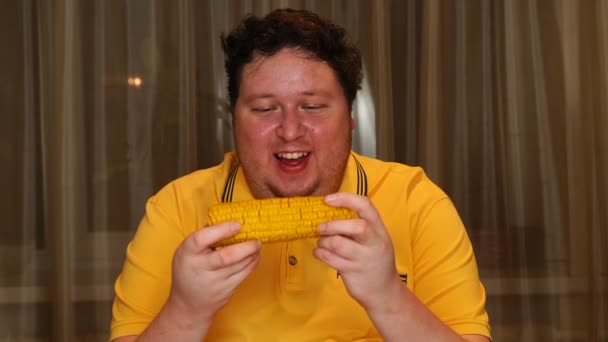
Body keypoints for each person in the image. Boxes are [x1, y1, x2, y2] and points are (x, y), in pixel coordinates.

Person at [110, 8, 491, 342]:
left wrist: (388, 296)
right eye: (264, 109)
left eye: (312, 106)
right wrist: (185, 311)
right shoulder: (175, 209)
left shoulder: (416, 202)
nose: (290, 130)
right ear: (233, 121)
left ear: (351, 118)